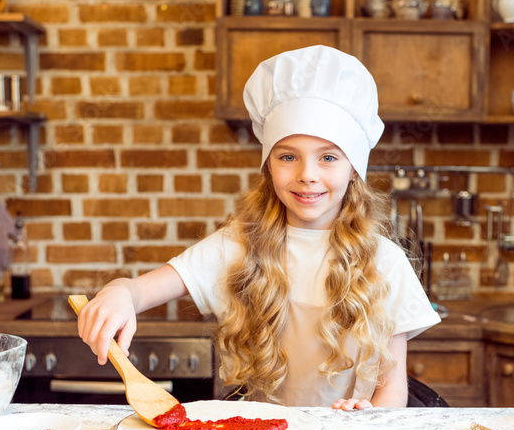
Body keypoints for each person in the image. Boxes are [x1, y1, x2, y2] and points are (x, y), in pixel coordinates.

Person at [77, 45, 441, 409]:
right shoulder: (239, 245)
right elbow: (141, 291)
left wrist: (373, 413)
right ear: (268, 164)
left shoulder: (385, 261)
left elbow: (393, 390)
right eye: (288, 157)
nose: (307, 175)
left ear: (354, 169)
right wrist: (120, 292)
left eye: (328, 157)